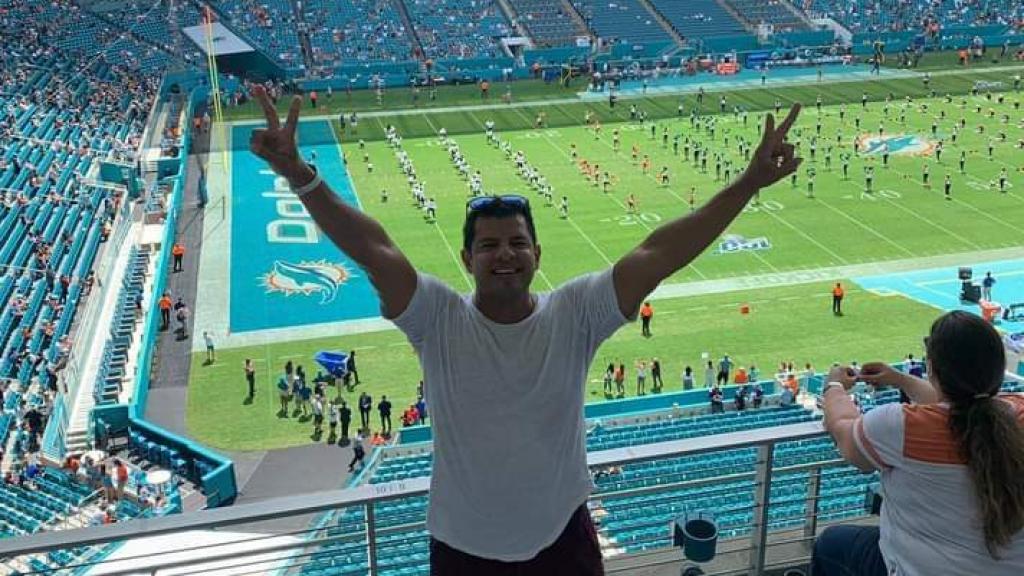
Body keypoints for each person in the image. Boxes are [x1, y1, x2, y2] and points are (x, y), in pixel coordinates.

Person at [248, 85, 803, 572]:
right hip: (463, 548)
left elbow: (661, 252)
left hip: (562, 539)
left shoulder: (575, 312)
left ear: (537, 253)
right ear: (467, 260)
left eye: (516, 243)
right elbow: (373, 248)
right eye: (488, 245)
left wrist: (749, 182)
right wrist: (301, 175)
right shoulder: (437, 317)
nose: (504, 254)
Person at [814, 311, 1024, 575]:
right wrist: (900, 379)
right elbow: (965, 403)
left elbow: (844, 431)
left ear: (932, 368)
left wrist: (834, 385)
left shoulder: (900, 426)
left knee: (830, 544)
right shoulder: (1016, 411)